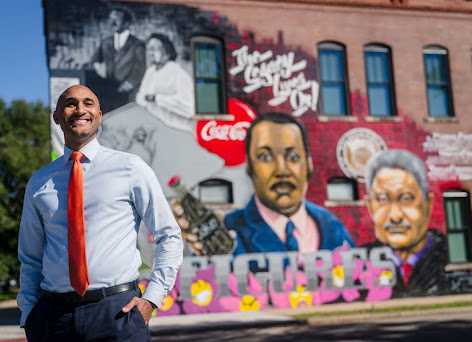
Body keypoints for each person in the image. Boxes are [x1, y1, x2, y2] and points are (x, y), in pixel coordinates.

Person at [17, 85, 183, 341]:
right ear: (57, 117)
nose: (80, 109)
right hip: (53, 319)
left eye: (88, 103)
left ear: (99, 115)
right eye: (71, 104)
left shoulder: (131, 168)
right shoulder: (39, 182)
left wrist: (151, 299)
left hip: (118, 313)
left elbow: (169, 235)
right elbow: (30, 256)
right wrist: (29, 311)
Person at [224, 113, 355, 260]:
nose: (282, 170)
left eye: (293, 157)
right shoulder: (228, 231)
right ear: (249, 165)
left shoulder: (331, 226)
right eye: (265, 157)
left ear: (309, 164)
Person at [363, 149, 449, 297]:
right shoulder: (359, 263)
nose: (395, 216)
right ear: (370, 207)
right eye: (382, 199)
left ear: (427, 205)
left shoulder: (449, 255)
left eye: (406, 198)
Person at [88, 8, 146, 111]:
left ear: (127, 23)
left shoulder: (137, 44)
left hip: (128, 93)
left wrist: (128, 84)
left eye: (117, 19)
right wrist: (98, 68)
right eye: (111, 19)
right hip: (107, 92)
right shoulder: (106, 42)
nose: (112, 22)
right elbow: (95, 59)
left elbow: (140, 68)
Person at [135, 33, 195, 133]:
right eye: (149, 49)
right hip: (154, 127)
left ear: (167, 51)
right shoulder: (150, 71)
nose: (151, 53)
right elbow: (140, 98)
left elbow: (189, 107)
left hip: (177, 129)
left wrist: (157, 98)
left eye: (155, 48)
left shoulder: (178, 72)